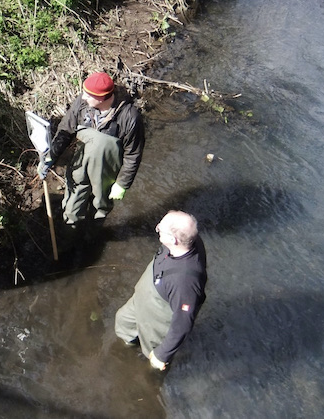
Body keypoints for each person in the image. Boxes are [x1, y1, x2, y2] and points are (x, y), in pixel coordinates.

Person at [39, 71, 145, 247]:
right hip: (80, 163)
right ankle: (68, 240)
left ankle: (91, 239)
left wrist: (122, 184)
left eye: (89, 95)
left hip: (107, 169)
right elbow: (65, 130)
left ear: (103, 98)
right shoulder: (82, 103)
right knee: (72, 204)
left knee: (100, 205)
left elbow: (133, 154)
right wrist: (50, 157)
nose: (84, 97)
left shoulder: (130, 117)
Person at [114, 210, 207, 370]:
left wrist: (162, 354)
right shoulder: (185, 242)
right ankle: (127, 346)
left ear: (174, 240)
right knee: (123, 321)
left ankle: (151, 378)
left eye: (160, 229)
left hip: (158, 317)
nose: (156, 228)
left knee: (152, 358)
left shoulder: (185, 282)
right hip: (143, 299)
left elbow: (183, 323)